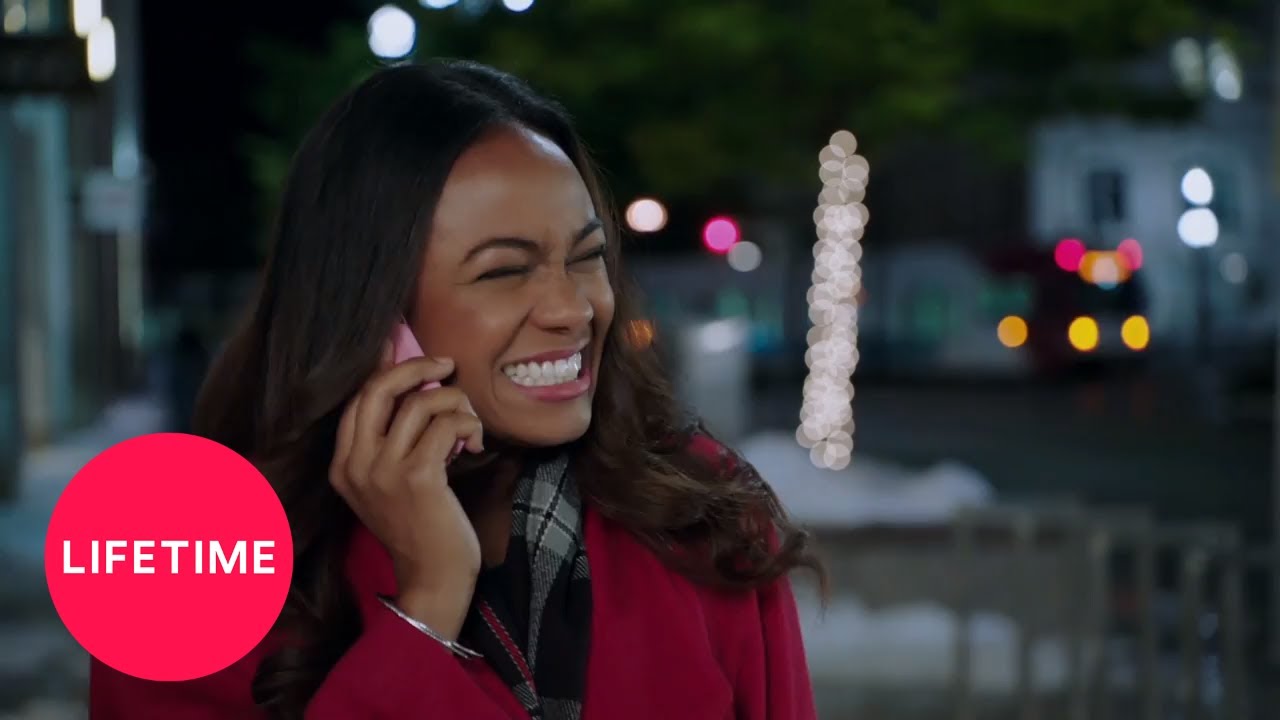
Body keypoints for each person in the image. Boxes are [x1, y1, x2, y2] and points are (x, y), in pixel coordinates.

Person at [90, 59, 825, 720]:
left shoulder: (699, 510)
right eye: (504, 270)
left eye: (587, 257)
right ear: (372, 314)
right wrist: (426, 606)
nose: (573, 309)